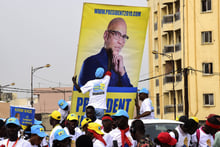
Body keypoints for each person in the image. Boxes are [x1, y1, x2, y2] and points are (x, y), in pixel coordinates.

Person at [78, 17, 133, 87]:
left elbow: (129, 95)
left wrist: (122, 73)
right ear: (106, 35)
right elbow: (83, 93)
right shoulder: (91, 63)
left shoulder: (120, 67)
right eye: (116, 34)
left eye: (124, 37)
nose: (120, 42)